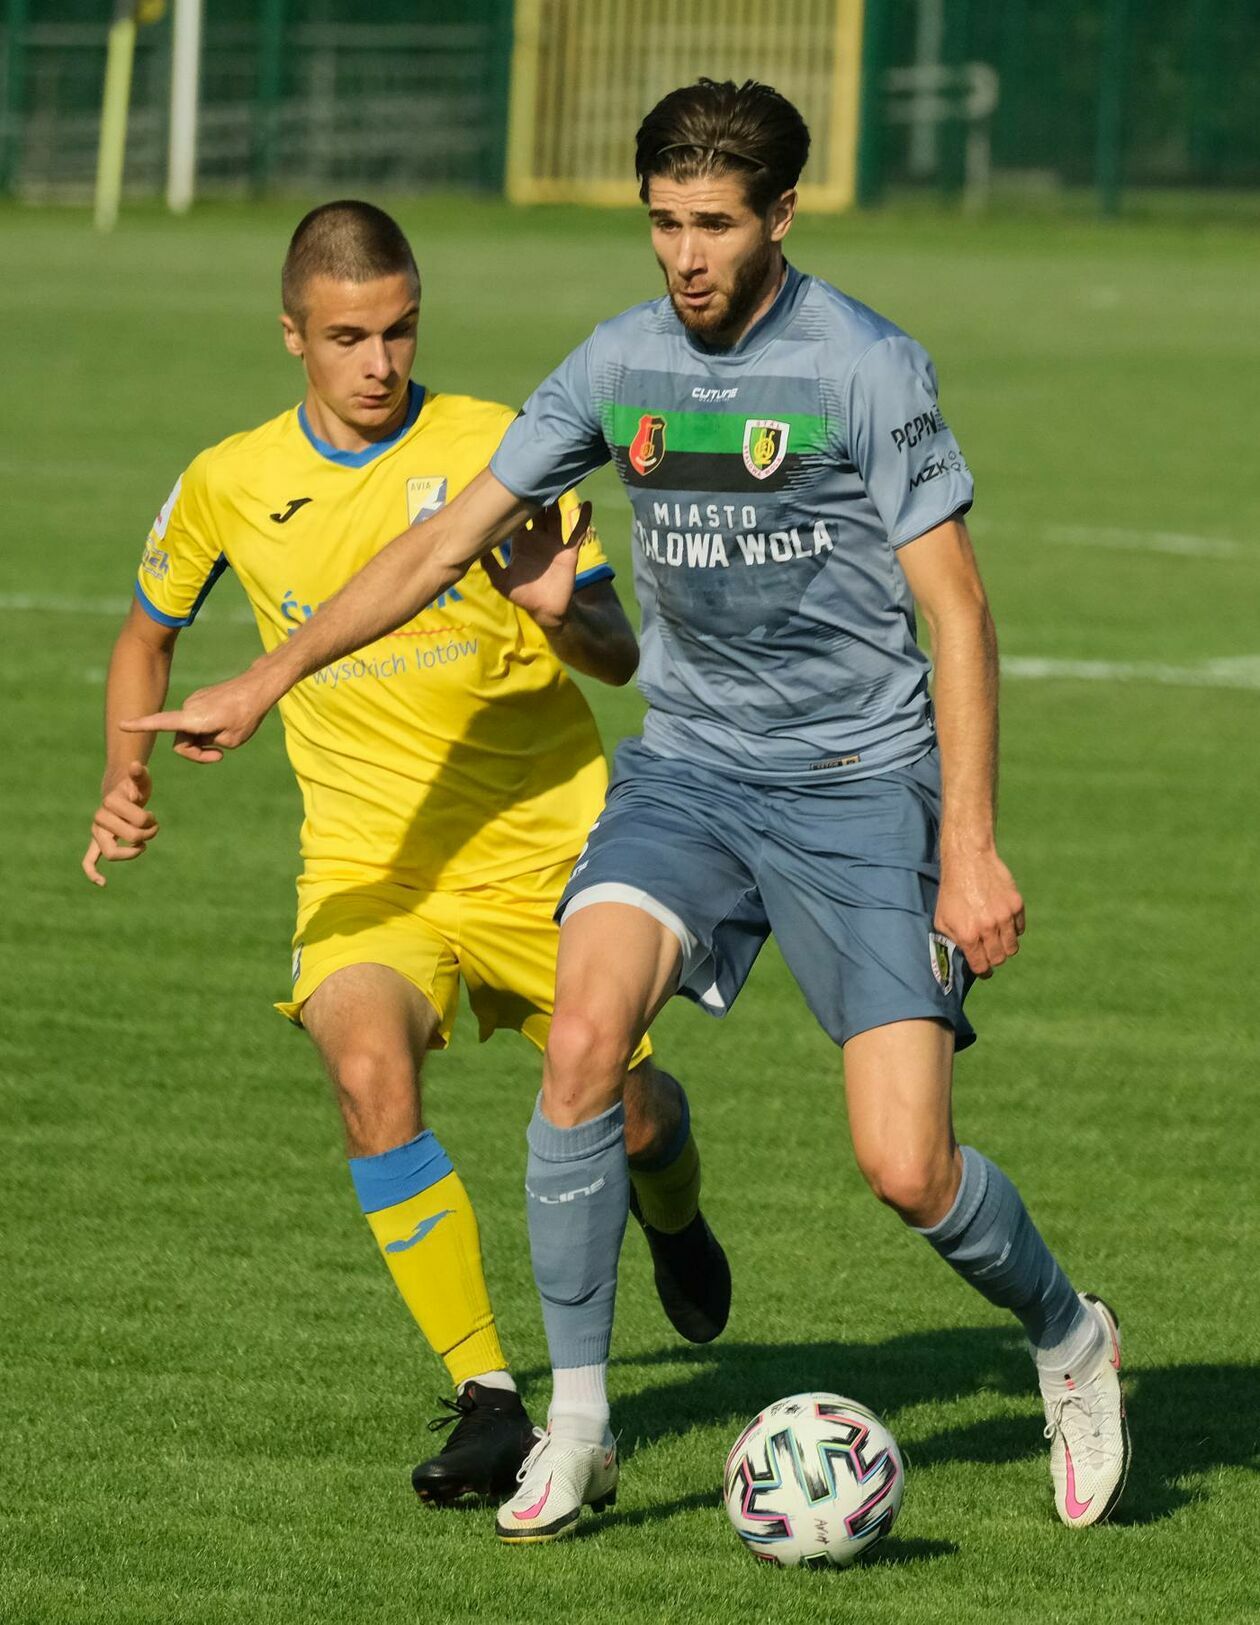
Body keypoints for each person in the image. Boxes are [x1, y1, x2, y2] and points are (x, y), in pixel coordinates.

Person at [125, 84, 1131, 1544]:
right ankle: (581, 1425)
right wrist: (266, 674)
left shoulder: (864, 365)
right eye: (663, 223)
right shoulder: (618, 363)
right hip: (691, 775)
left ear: (780, 215)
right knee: (584, 1040)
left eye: (714, 224)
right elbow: (442, 540)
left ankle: (1067, 1332)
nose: (686, 256)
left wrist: (966, 841)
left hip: (859, 789)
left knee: (905, 1163)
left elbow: (957, 613)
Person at [87, 199, 730, 1508]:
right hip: (370, 868)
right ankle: (490, 1395)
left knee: (627, 1106)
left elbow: (619, 658)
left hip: (550, 850)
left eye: (399, 330)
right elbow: (148, 631)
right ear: (291, 336)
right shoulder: (228, 479)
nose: (379, 362)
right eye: (347, 337)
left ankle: (673, 1197)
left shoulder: (505, 446)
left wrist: (564, 615)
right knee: (367, 1064)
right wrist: (122, 775)